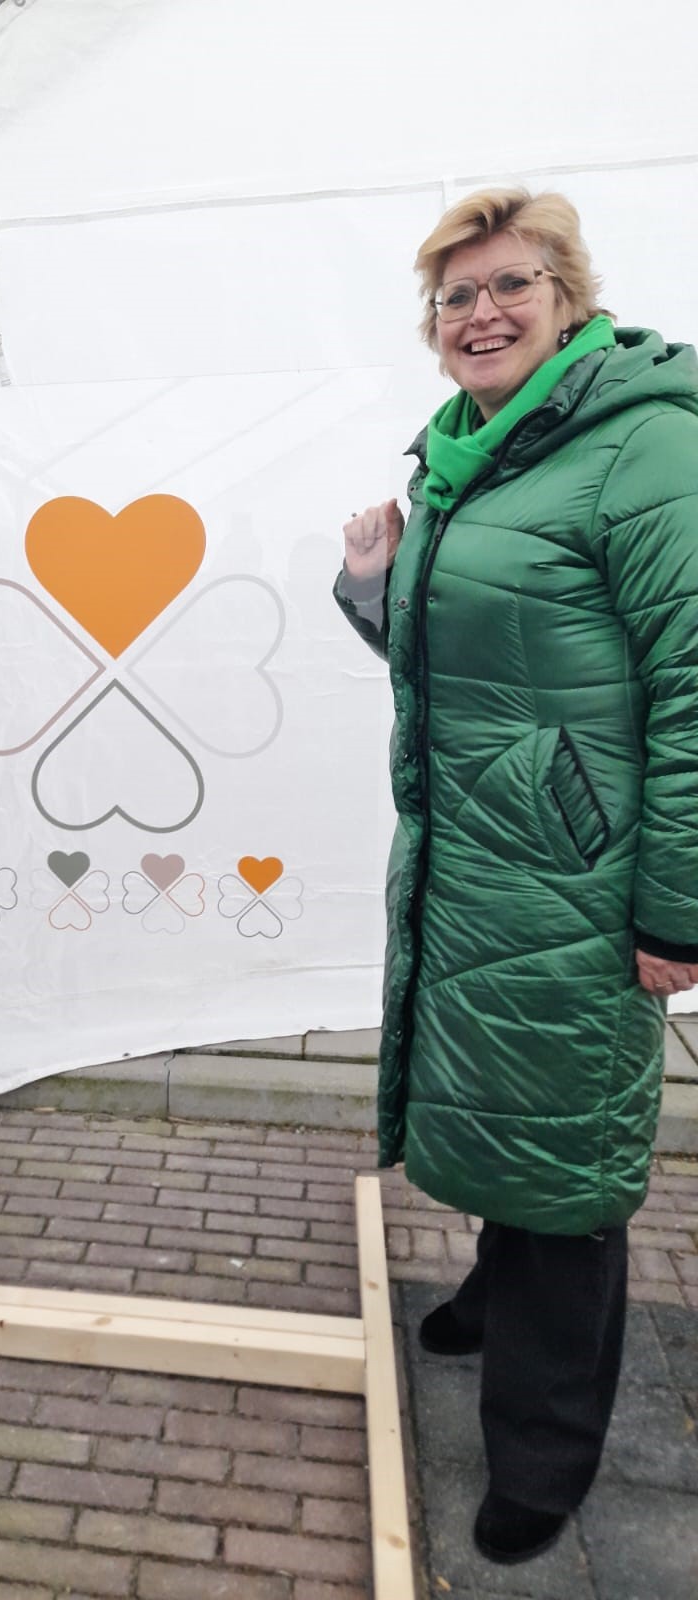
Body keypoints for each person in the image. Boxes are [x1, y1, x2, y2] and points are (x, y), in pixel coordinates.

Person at [334, 189, 698, 1564]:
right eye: (455, 296)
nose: (480, 313)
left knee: (567, 1156)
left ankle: (544, 1457)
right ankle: (495, 1290)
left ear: (570, 298)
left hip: (579, 878)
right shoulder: (463, 451)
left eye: (510, 285)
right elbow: (468, 671)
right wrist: (376, 581)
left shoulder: (649, 448)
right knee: (505, 1095)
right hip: (479, 857)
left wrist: (677, 908)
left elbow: (694, 688)